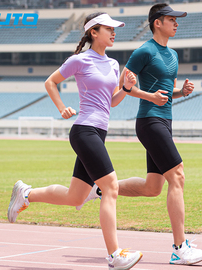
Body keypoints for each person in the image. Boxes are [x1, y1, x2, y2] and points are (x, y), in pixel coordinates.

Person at [7, 12, 143, 270]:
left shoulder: (114, 65)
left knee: (76, 197)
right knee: (111, 187)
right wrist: (61, 108)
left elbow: (111, 102)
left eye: (115, 29)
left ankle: (26, 193)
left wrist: (125, 88)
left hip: (98, 133)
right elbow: (51, 82)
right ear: (94, 32)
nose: (114, 33)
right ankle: (115, 255)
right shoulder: (79, 60)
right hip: (84, 131)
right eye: (109, 29)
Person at [77, 4, 202, 266]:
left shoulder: (172, 54)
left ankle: (100, 189)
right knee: (178, 175)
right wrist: (148, 96)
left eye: (177, 20)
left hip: (165, 120)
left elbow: (165, 92)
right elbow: (125, 86)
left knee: (153, 187)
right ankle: (179, 247)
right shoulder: (144, 51)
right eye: (172, 19)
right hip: (149, 121)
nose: (176, 24)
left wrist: (181, 92)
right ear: (157, 23)